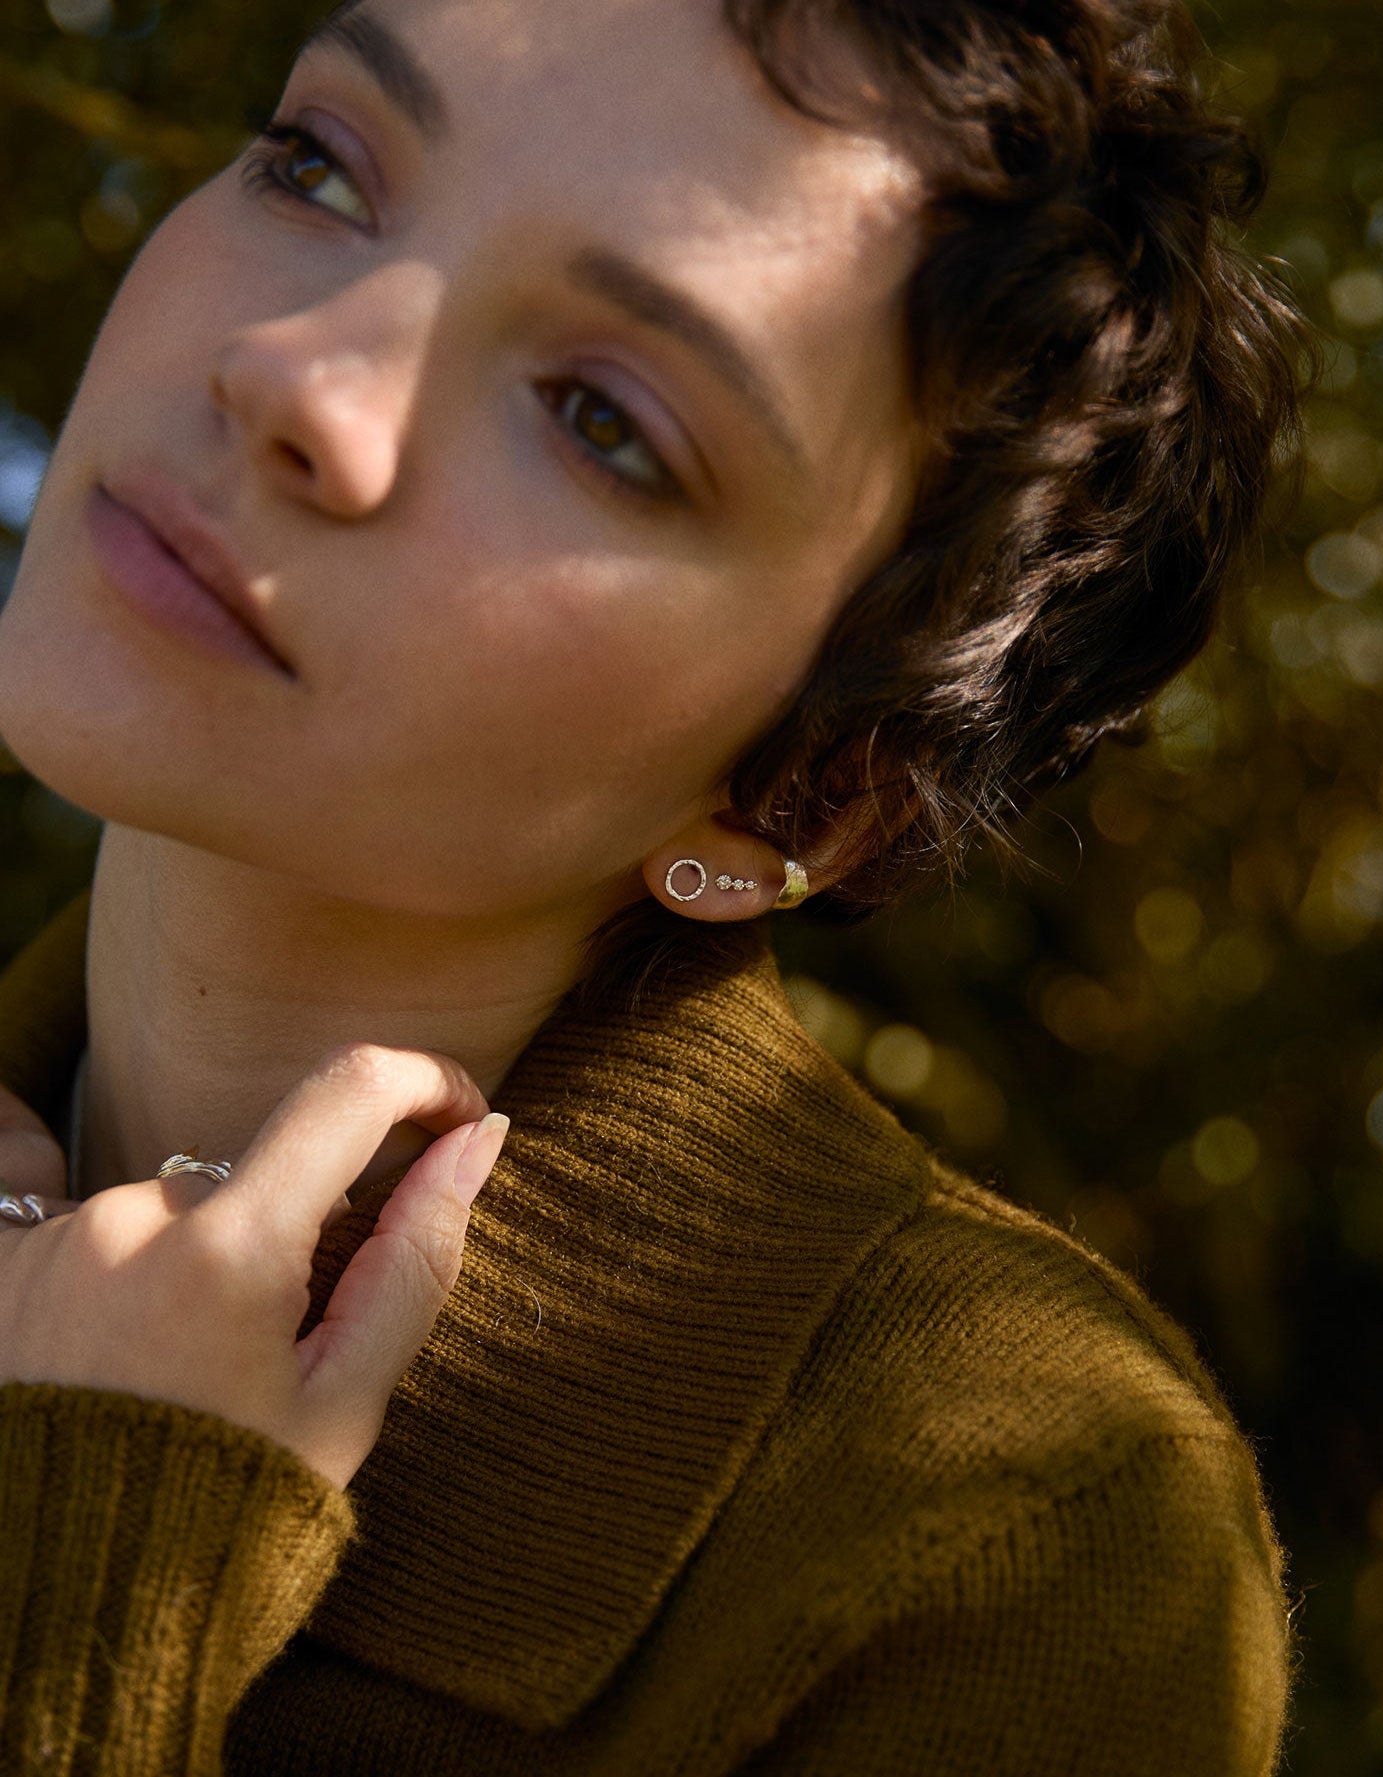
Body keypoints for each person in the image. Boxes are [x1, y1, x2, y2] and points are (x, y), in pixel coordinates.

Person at [0, 0, 1312, 1769]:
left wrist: (97, 1594)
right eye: (317, 167)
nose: (295, 372)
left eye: (601, 421)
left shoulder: (1013, 1521)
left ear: (809, 798)